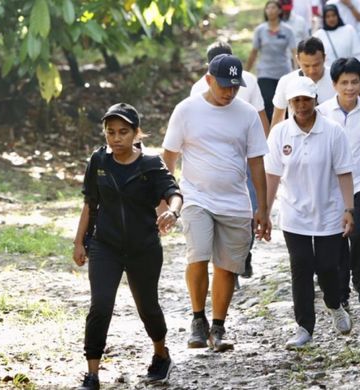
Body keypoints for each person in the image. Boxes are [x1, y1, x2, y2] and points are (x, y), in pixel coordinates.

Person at [162, 54, 271, 352]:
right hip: (196, 197)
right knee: (197, 254)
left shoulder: (247, 114)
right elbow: (169, 155)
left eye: (235, 87)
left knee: (226, 266)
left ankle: (218, 327)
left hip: (235, 201)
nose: (229, 92)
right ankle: (198, 319)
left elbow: (257, 163)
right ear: (208, 80)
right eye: (224, 85)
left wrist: (263, 207)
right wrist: (164, 198)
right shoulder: (186, 110)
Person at [74, 103, 182, 390]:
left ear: (136, 133)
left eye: (123, 132)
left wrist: (172, 212)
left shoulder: (150, 163)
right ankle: (92, 373)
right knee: (100, 306)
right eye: (110, 132)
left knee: (147, 307)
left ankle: (161, 354)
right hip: (104, 245)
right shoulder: (98, 161)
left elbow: (174, 193)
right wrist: (78, 242)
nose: (116, 138)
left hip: (143, 247)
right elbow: (89, 203)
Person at [265, 76, 356, 348]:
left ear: (315, 100)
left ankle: (334, 303)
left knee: (328, 266)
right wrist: (264, 212)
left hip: (329, 211)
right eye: (296, 101)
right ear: (289, 103)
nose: (301, 105)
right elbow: (271, 175)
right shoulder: (280, 133)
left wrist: (349, 208)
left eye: (306, 99)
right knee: (301, 267)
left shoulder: (333, 132)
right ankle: (304, 327)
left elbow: (344, 173)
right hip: (294, 213)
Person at [192, 42, 269, 280]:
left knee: (248, 210)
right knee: (218, 215)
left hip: (246, 157)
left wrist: (266, 148)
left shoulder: (249, 81)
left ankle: (242, 254)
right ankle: (227, 269)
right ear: (209, 71)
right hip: (216, 163)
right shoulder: (197, 90)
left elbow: (260, 117)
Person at [317, 58, 360, 309]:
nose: (350, 88)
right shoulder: (322, 112)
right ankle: (342, 291)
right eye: (344, 82)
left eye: (355, 82)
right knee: (338, 239)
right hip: (332, 187)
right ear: (334, 84)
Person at [246, 0, 298, 122]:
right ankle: (269, 133)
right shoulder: (260, 30)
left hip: (284, 73)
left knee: (284, 103)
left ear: (280, 10)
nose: (270, 10)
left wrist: (298, 70)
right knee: (267, 102)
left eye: (273, 8)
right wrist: (245, 71)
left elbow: (294, 51)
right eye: (268, 8)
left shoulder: (287, 30)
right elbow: (254, 52)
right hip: (265, 72)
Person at [271, 37, 337, 127]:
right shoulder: (286, 81)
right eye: (306, 66)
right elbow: (278, 118)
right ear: (298, 59)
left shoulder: (336, 79)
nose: (311, 70)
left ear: (324, 57)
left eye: (316, 65)